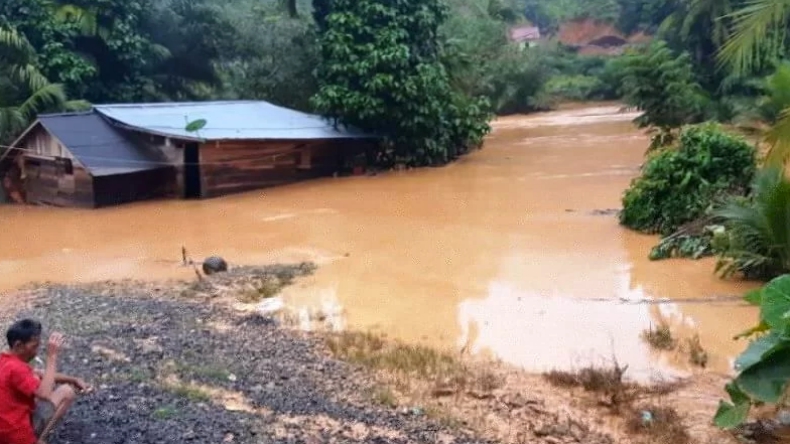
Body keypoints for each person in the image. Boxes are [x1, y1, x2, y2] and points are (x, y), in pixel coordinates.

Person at [0, 319, 91, 444]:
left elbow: (39, 373)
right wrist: (52, 357)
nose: (36, 351)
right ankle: (39, 440)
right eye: (34, 346)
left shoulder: (5, 360)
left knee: (36, 381)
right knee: (66, 392)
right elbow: (45, 394)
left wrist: (73, 379)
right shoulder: (17, 368)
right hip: (16, 436)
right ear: (18, 346)